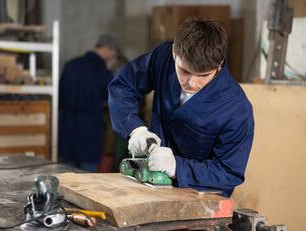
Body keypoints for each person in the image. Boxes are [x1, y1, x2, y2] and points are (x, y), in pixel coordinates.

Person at [108, 18, 254, 197]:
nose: (192, 83)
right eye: (184, 71)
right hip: (148, 188)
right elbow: (123, 86)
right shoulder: (163, 58)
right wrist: (135, 128)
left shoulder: (236, 110)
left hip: (199, 203)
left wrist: (177, 167)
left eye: (203, 75)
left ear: (220, 63)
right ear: (174, 53)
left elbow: (228, 172)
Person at [58, 34, 119, 172]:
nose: (110, 59)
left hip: (67, 125)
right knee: (88, 175)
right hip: (90, 128)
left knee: (67, 173)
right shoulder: (102, 72)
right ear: (106, 51)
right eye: (111, 55)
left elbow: (60, 97)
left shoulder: (70, 66)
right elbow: (113, 98)